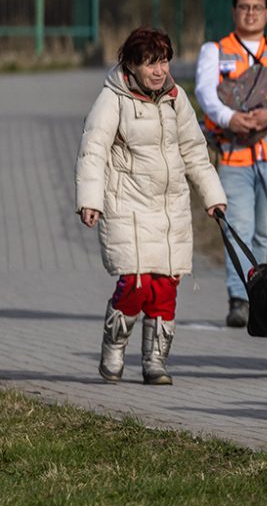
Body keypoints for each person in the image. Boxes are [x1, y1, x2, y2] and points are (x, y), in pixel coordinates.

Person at [76, 26, 227, 385]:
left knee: (165, 287)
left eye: (163, 61)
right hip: (125, 203)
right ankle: (115, 345)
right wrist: (89, 200)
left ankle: (155, 361)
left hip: (169, 206)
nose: (159, 71)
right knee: (136, 284)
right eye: (149, 63)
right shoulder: (113, 99)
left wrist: (213, 195)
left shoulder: (176, 98)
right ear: (131, 65)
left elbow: (193, 150)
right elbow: (93, 150)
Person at [195, 0, 267, 327]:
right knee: (237, 227)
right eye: (244, 7)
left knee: (263, 229)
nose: (251, 13)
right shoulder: (215, 50)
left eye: (257, 8)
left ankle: (258, 292)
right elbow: (205, 92)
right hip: (234, 154)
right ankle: (239, 298)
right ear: (234, 11)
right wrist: (231, 118)